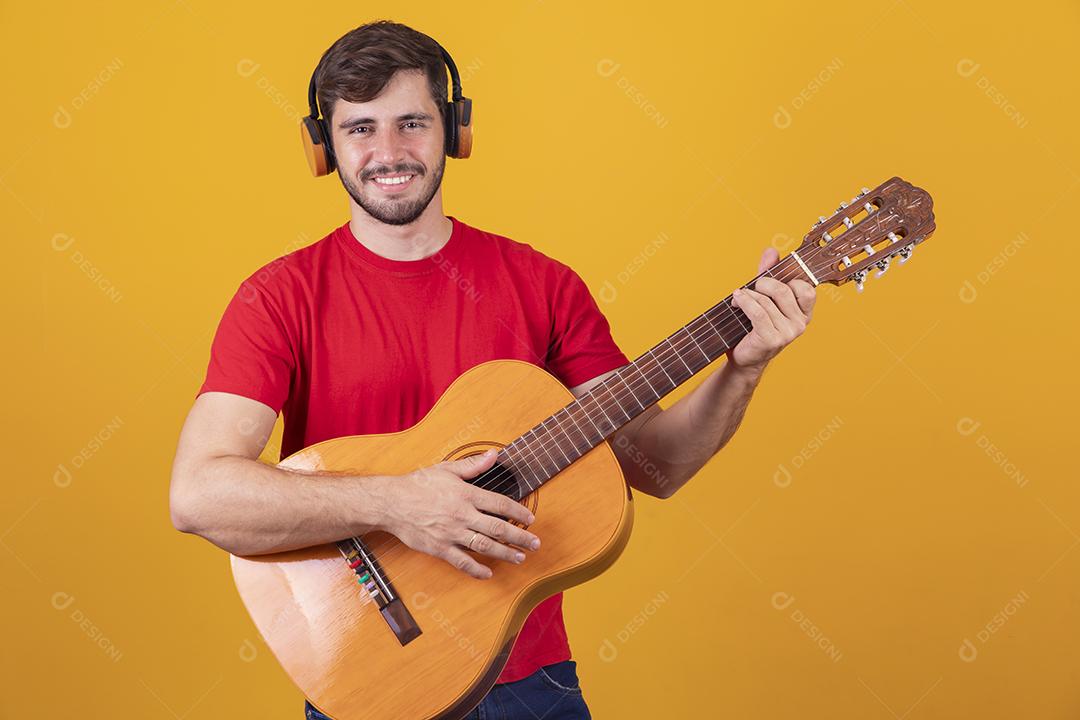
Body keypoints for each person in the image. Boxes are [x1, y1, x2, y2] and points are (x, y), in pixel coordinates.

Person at [169, 20, 815, 720]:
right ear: (323, 148)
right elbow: (200, 494)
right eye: (361, 129)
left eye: (412, 122)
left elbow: (654, 468)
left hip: (534, 689)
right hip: (371, 677)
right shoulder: (280, 297)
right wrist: (398, 503)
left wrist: (743, 368)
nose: (389, 152)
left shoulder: (543, 285)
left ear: (455, 132)